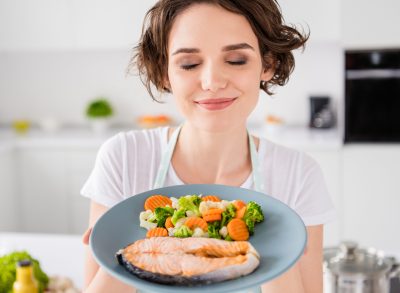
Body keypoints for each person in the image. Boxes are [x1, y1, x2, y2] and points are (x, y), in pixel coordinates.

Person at [81, 0, 335, 292]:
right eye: (189, 64)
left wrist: (279, 254)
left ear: (267, 64)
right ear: (165, 73)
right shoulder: (124, 157)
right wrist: (123, 252)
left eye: (237, 60)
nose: (212, 82)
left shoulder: (298, 174)